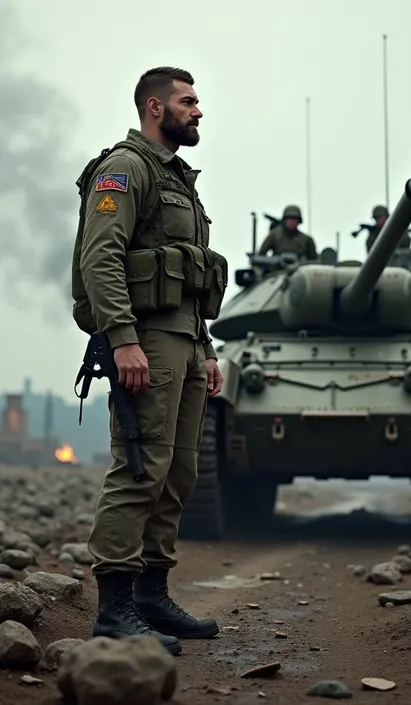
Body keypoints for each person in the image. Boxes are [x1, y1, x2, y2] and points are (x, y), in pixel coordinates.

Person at [75, 66, 226, 657]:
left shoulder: (181, 181)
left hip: (185, 342)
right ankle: (114, 611)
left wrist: (207, 349)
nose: (198, 110)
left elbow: (187, 273)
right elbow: (101, 257)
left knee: (177, 472)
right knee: (140, 470)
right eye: (188, 101)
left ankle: (152, 595)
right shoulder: (126, 169)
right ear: (155, 107)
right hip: (146, 339)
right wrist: (122, 337)